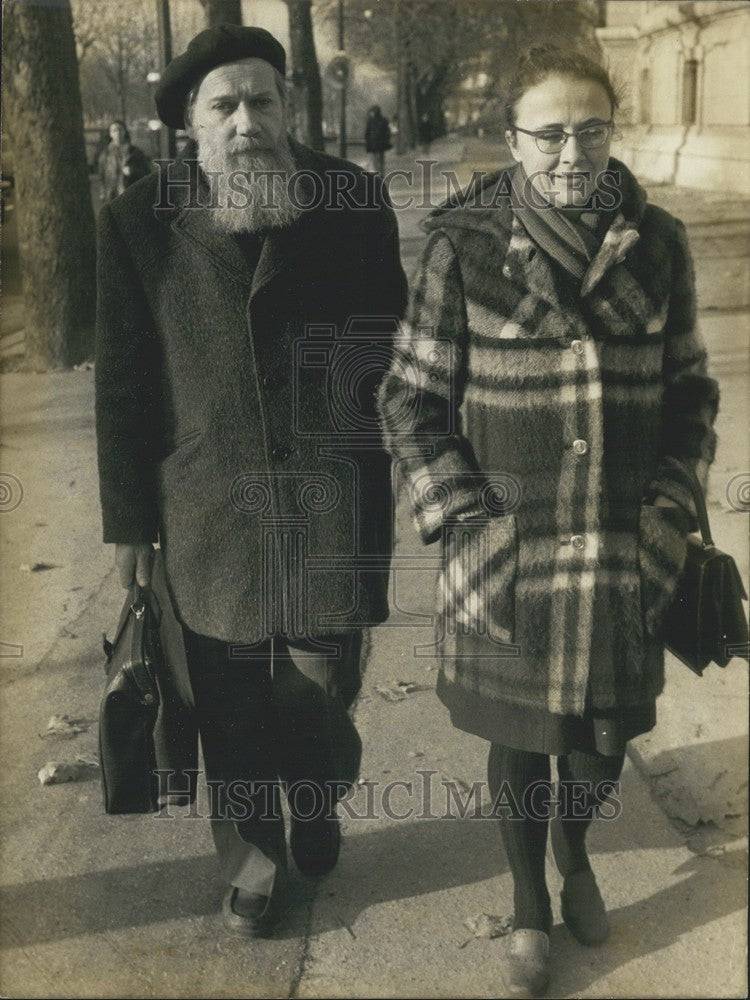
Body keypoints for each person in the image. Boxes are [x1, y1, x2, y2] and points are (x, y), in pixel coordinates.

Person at [377, 44, 718, 998]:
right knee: (523, 738)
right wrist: (466, 525)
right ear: (516, 139)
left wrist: (670, 512)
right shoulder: (463, 245)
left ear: (614, 133)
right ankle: (530, 901)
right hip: (508, 553)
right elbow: (409, 399)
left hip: (622, 554)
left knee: (603, 748)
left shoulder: (659, 244)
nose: (574, 153)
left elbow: (691, 394)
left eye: (592, 131)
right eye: (552, 133)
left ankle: (576, 851)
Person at [95, 25, 407, 938]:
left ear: (286, 105)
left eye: (261, 100)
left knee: (317, 685)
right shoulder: (137, 223)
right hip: (205, 502)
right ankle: (252, 860)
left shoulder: (352, 201)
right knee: (227, 701)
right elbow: (123, 385)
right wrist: (128, 523)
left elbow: (394, 350)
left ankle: (315, 797)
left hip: (328, 495)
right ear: (190, 122)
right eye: (224, 106)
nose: (246, 123)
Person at [97, 120, 151, 203]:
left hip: (131, 193)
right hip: (112, 195)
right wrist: (102, 193)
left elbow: (147, 173)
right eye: (114, 130)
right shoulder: (105, 154)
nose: (118, 133)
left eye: (120, 129)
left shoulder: (135, 152)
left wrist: (132, 171)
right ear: (110, 134)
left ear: (125, 132)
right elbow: (101, 176)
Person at [365, 104, 392, 176]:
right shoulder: (384, 120)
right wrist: (387, 140)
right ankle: (382, 173)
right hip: (382, 143)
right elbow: (388, 132)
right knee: (381, 159)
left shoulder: (371, 120)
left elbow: (367, 132)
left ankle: (378, 173)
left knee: (375, 159)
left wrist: (367, 142)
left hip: (374, 143)